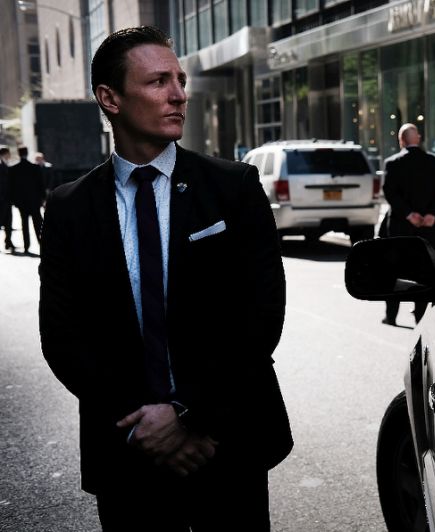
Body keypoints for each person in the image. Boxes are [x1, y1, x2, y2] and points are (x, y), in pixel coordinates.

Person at [39, 26, 292, 531]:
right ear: (109, 98)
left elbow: (260, 318)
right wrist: (144, 427)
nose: (179, 94)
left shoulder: (233, 187)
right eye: (158, 82)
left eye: (179, 80)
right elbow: (65, 338)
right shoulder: (69, 208)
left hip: (227, 439)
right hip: (129, 449)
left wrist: (189, 415)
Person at [382, 123, 435, 325]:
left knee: (394, 270)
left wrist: (409, 214)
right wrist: (432, 214)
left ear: (401, 141)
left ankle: (391, 316)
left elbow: (390, 193)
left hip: (400, 227)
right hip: (427, 228)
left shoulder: (392, 163)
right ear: (418, 139)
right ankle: (420, 315)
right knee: (423, 269)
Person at [9, 145, 45, 254]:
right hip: (34, 201)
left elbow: (11, 187)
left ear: (19, 154)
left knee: (24, 225)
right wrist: (43, 198)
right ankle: (42, 245)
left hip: (21, 202)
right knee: (38, 225)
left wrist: (14, 201)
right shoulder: (35, 167)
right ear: (27, 153)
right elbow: (41, 184)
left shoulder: (13, 169)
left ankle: (26, 247)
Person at [0, 146, 14, 251]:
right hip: (2, 199)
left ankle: (8, 241)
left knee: (8, 222)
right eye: (8, 153)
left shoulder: (6, 164)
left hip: (7, 199)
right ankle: (8, 241)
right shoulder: (1, 165)